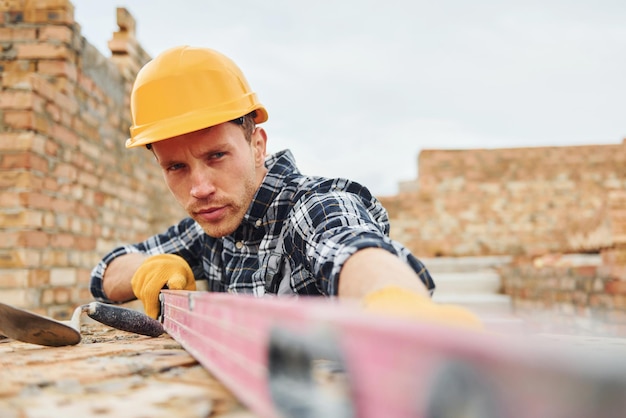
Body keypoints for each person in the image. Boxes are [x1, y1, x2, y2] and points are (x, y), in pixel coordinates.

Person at [90, 45, 481, 330]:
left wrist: (396, 304)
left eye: (216, 157)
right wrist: (148, 267)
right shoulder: (211, 225)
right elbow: (105, 271)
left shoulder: (308, 207)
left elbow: (349, 245)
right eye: (176, 167)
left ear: (257, 144)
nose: (200, 188)